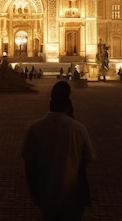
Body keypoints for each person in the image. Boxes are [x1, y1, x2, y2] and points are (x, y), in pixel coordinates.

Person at [21, 81, 95, 220]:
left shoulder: (33, 129)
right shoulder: (77, 129)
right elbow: (87, 159)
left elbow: (28, 165)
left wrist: (34, 191)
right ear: (69, 103)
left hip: (46, 195)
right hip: (71, 195)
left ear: (50, 103)